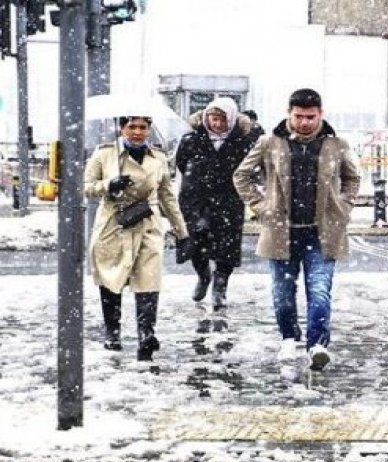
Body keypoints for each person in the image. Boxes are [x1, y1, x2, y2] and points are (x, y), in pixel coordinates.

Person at [233, 88, 361, 371]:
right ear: (289, 114)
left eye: (311, 117)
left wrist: (343, 206)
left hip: (322, 231)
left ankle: (318, 344)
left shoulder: (336, 144)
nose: (305, 123)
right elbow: (241, 175)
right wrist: (261, 206)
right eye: (299, 116)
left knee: (319, 290)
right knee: (283, 291)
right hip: (282, 230)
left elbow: (353, 177)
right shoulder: (270, 143)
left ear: (321, 115)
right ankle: (289, 337)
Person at [84, 116, 191, 361]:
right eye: (131, 126)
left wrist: (181, 232)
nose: (137, 132)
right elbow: (86, 186)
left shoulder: (158, 157)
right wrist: (108, 185)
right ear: (122, 128)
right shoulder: (105, 154)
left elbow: (167, 197)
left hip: (147, 223)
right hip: (114, 222)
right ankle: (112, 332)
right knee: (111, 277)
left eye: (143, 127)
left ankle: (146, 335)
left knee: (149, 278)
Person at [174, 97, 262, 311]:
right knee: (195, 244)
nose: (217, 124)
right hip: (196, 201)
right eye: (213, 119)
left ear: (231, 120)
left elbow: (250, 169)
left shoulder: (243, 142)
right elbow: (181, 163)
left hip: (228, 201)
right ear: (206, 118)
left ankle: (220, 285)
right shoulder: (191, 139)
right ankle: (203, 276)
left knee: (227, 247)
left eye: (222, 120)